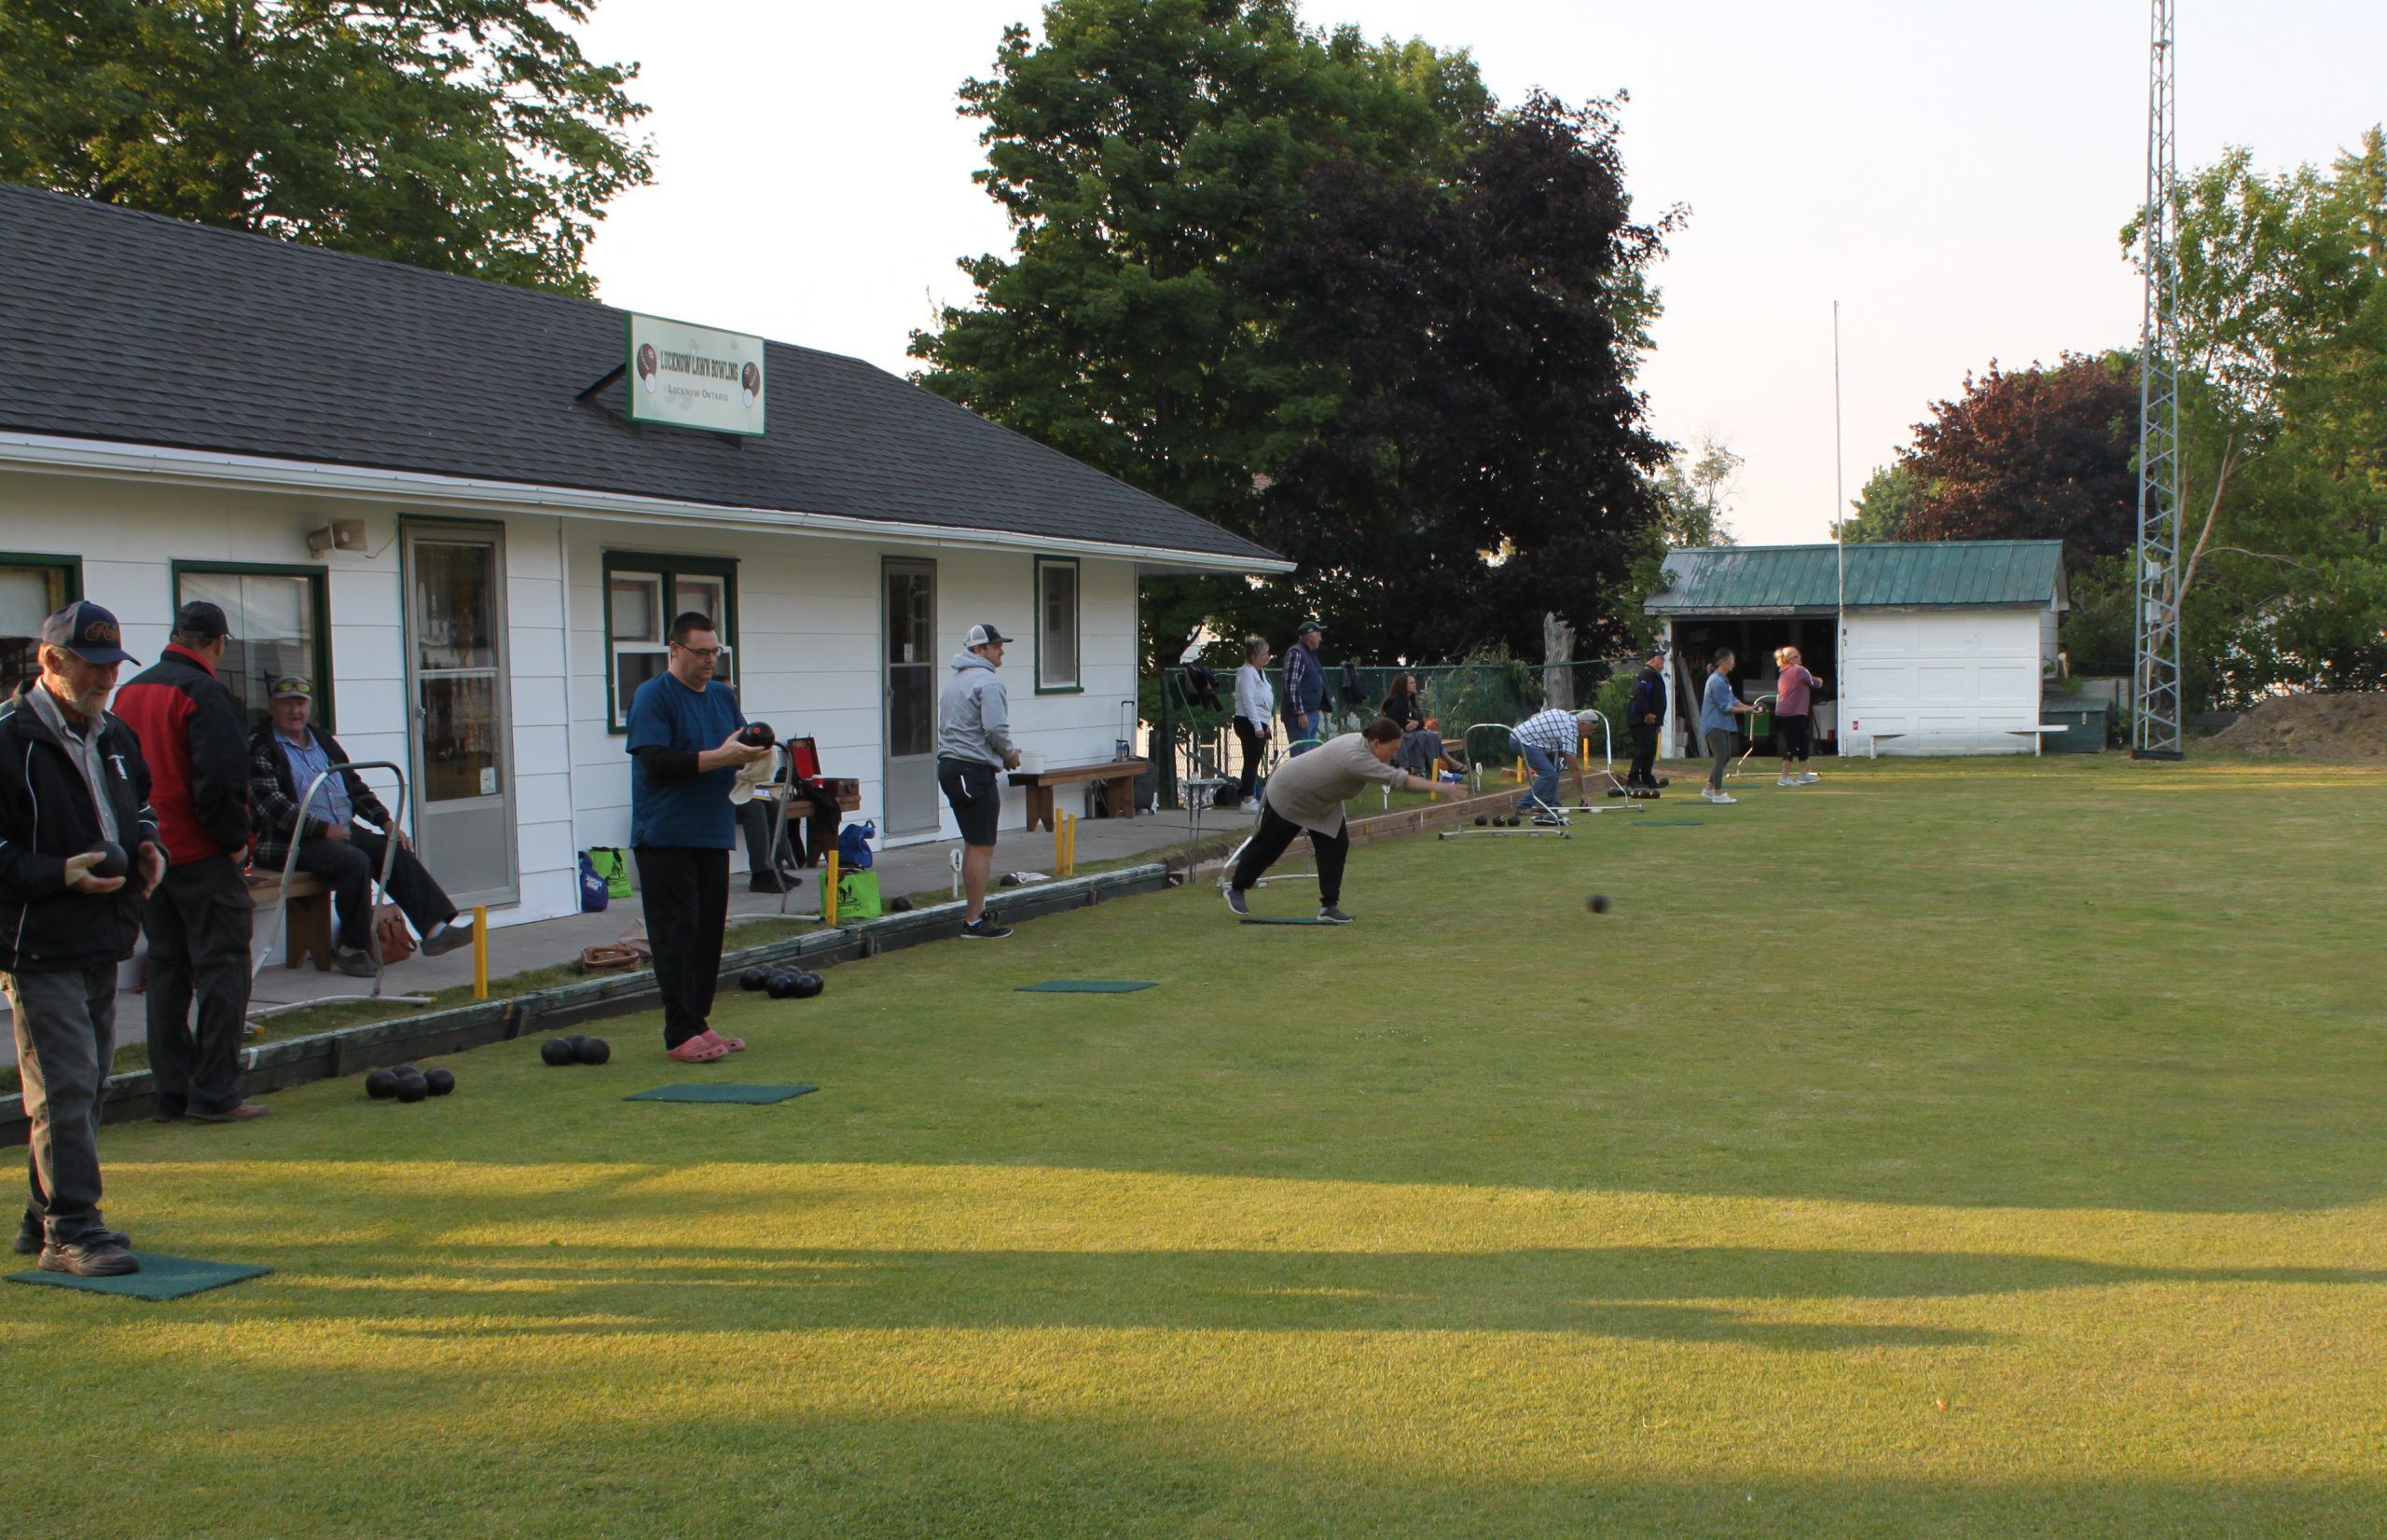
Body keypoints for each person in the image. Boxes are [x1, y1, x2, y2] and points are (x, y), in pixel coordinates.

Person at [0, 603, 165, 1276]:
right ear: (50, 662)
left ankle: (43, 1214)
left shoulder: (116, 736)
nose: (105, 680)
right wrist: (53, 874)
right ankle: (72, 1230)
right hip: (37, 940)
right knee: (65, 1084)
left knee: (90, 1083)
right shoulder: (7, 739)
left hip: (105, 933)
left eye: (111, 668)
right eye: (92, 668)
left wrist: (149, 846)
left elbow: (142, 807)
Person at [113, 600, 267, 1122]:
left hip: (150, 855)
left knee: (167, 970)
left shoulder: (128, 692)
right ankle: (216, 1094)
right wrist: (235, 842)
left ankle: (171, 1093)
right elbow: (220, 781)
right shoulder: (204, 692)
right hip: (201, 853)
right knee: (223, 968)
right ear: (218, 643)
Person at [624, 612, 772, 1063]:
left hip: (712, 830)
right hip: (666, 834)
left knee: (708, 933)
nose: (710, 660)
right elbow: (656, 761)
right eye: (701, 652)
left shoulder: (723, 697)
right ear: (674, 650)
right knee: (676, 934)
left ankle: (699, 1022)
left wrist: (755, 757)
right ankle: (678, 1032)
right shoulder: (652, 697)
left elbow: (740, 747)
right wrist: (719, 757)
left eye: (715, 651)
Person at [247, 677, 473, 974]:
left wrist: (386, 821)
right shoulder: (262, 746)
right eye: (287, 703)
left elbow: (353, 786)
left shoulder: (322, 741)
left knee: (393, 849)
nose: (295, 710)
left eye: (300, 703)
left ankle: (435, 930)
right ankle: (351, 947)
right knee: (355, 861)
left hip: (341, 831)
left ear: (309, 707)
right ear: (271, 707)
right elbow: (271, 805)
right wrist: (323, 830)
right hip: (289, 842)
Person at [1221, 717, 1442, 924]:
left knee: (1336, 844)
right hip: (1291, 792)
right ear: (1375, 743)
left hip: (1324, 799)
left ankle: (1329, 907)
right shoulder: (1356, 758)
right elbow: (1396, 779)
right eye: (1391, 749)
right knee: (1270, 846)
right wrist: (1441, 786)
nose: (1394, 754)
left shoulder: (1364, 745)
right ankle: (1236, 888)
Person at [936, 622, 1021, 941]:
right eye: (996, 645)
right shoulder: (988, 682)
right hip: (971, 769)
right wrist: (1009, 755)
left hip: (951, 765)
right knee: (982, 846)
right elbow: (996, 729)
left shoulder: (955, 681)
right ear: (978, 650)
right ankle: (973, 921)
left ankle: (975, 914)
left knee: (975, 842)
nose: (1001, 650)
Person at [1509, 705, 1604, 824]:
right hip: (1522, 741)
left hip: (1532, 740)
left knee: (1556, 767)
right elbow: (1574, 768)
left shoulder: (1565, 715)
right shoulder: (1570, 731)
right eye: (1591, 729)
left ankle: (1549, 804)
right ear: (1583, 724)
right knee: (1549, 774)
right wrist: (1583, 794)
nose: (1591, 733)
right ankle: (1523, 806)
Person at [1699, 649, 1759, 804]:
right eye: (1731, 660)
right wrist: (1747, 711)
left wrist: (1750, 708)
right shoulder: (1716, 681)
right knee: (1720, 758)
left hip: (1722, 724)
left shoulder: (1723, 680)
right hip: (1714, 724)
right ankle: (1717, 793)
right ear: (1723, 662)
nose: (1734, 663)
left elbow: (1733, 700)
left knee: (1727, 756)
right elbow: (1725, 707)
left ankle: (1708, 789)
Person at [1773, 646, 1827, 787]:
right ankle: (1784, 777)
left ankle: (1803, 774)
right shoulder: (1799, 670)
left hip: (1787, 713)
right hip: (1793, 714)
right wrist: (1820, 681)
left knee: (1803, 743)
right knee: (1792, 746)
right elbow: (1814, 682)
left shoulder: (1783, 672)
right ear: (1790, 659)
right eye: (1797, 656)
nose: (1800, 658)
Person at [1230, 636, 1274, 805]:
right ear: (1253, 656)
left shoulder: (1260, 672)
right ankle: (1247, 797)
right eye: (1263, 654)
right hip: (1247, 721)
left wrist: (1265, 724)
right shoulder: (1247, 673)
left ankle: (1249, 794)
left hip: (1259, 721)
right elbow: (1248, 700)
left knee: (1254, 759)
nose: (1267, 657)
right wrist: (1257, 725)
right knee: (1251, 759)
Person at [1625, 649, 1670, 793]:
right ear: (1652, 660)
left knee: (1650, 750)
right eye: (1660, 658)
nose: (1663, 660)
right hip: (1641, 720)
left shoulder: (1654, 675)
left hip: (1651, 722)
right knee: (1642, 749)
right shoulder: (1647, 674)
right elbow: (1640, 695)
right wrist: (1646, 714)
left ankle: (1647, 777)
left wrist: (1658, 722)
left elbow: (1656, 699)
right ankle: (1633, 779)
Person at [1281, 618, 1328, 755]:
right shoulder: (1297, 653)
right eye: (1319, 635)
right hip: (1301, 716)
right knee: (1300, 756)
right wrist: (1300, 712)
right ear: (1310, 636)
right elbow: (1291, 685)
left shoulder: (1309, 653)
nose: (1321, 638)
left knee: (1308, 756)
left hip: (1310, 713)